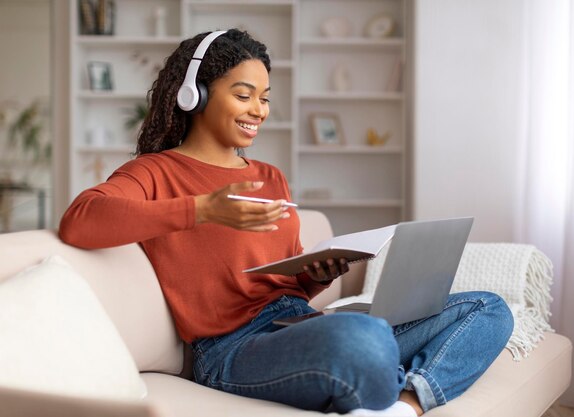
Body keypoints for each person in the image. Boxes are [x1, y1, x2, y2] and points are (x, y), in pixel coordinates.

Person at [59, 29, 513, 416]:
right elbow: (80, 221)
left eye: (264, 97)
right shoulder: (155, 172)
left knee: (489, 308)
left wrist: (315, 277)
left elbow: (283, 281)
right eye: (243, 95)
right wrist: (202, 209)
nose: (259, 109)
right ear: (193, 94)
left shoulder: (269, 177)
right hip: (230, 350)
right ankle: (378, 370)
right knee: (364, 337)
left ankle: (405, 404)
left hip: (297, 323)